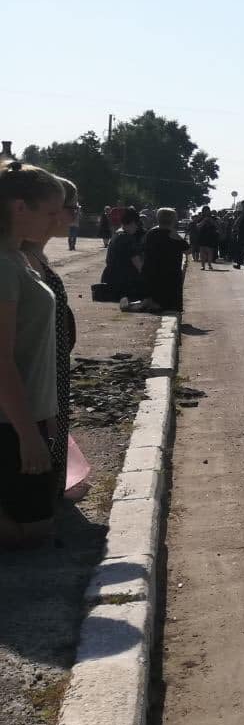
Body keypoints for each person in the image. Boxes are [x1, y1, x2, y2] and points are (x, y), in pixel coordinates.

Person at [0, 161, 65, 548]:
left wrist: (46, 414)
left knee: (40, 524)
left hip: (29, 413)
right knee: (32, 532)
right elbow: (2, 359)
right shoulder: (3, 266)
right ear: (20, 207)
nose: (57, 222)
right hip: (9, 421)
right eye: (51, 213)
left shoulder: (18, 257)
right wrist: (27, 433)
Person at [22, 175, 77, 499]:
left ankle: (53, 492)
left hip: (53, 365)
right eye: (72, 208)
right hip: (40, 368)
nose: (74, 215)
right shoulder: (24, 259)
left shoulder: (36, 256)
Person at [131, 208, 189, 312]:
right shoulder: (173, 235)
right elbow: (188, 250)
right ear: (173, 220)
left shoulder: (151, 233)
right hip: (170, 274)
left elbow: (141, 250)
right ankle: (158, 305)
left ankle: (149, 304)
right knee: (170, 303)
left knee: (155, 297)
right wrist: (179, 237)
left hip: (152, 272)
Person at [100, 205, 145, 302]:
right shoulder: (128, 239)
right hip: (123, 284)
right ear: (133, 223)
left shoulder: (117, 234)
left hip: (109, 279)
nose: (137, 228)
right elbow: (139, 266)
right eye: (137, 225)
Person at [192, 206, 219, 270]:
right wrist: (204, 221)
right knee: (202, 251)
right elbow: (197, 226)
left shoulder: (213, 218)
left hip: (210, 236)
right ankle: (203, 265)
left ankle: (209, 264)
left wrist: (211, 221)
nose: (207, 212)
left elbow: (217, 226)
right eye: (205, 210)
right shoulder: (200, 218)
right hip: (202, 236)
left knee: (210, 251)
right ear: (203, 211)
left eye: (208, 210)